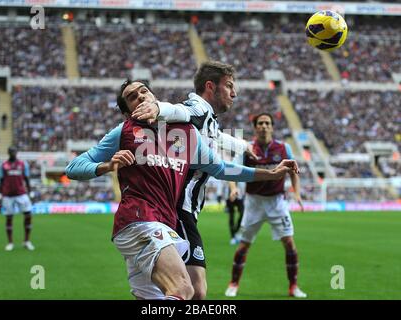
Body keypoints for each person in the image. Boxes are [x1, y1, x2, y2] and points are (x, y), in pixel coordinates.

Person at [65, 80, 299, 300]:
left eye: (143, 90)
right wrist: (106, 166)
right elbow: (74, 167)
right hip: (138, 220)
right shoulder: (124, 131)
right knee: (183, 288)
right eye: (132, 97)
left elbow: (221, 168)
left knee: (169, 295)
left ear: (154, 96)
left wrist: (271, 173)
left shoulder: (186, 134)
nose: (140, 96)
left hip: (163, 223)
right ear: (128, 112)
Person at [132, 60, 257, 299]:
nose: (235, 92)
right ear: (210, 87)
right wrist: (158, 108)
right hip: (180, 208)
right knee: (196, 290)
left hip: (180, 208)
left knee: (168, 289)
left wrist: (244, 145)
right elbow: (181, 110)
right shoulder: (197, 108)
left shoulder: (208, 119)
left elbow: (217, 137)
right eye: (229, 86)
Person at [224, 113, 306, 298]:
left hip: (277, 202)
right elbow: (231, 170)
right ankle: (234, 283)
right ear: (255, 127)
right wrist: (233, 188)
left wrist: (297, 193)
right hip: (254, 202)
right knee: (244, 245)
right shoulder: (247, 148)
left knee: (290, 244)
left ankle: (293, 286)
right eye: (260, 123)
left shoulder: (284, 148)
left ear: (272, 127)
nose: (264, 126)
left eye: (267, 123)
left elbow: (294, 171)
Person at [0, 146, 35, 251]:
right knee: (9, 218)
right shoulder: (4, 165)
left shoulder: (23, 164)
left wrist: (30, 191)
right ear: (8, 153)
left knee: (28, 215)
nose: (13, 153)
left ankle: (27, 241)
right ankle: (10, 243)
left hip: (21, 194)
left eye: (14, 151)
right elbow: (1, 180)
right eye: (11, 151)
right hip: (8, 195)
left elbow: (27, 178)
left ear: (17, 152)